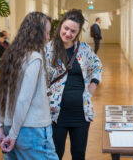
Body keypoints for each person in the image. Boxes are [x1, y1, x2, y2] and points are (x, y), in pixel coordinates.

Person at [0, 12, 58, 160]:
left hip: (9, 125)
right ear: (35, 33)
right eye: (47, 33)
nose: (49, 38)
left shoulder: (11, 54)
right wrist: (13, 135)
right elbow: (24, 100)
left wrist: (1, 127)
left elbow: (3, 95)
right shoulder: (34, 58)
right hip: (32, 129)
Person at [45, 9, 103, 160]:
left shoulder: (84, 49)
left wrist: (93, 84)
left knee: (78, 154)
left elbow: (97, 66)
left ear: (77, 33)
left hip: (81, 114)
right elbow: (41, 78)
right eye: (66, 28)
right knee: (55, 154)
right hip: (55, 114)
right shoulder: (48, 50)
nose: (68, 33)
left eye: (73, 31)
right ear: (60, 27)